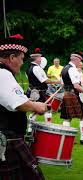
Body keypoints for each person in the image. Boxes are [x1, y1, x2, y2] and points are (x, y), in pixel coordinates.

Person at [0, 34, 47, 179]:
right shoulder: (3, 73)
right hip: (7, 139)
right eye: (21, 58)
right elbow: (18, 103)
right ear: (12, 57)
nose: (22, 63)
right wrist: (36, 106)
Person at [60, 53, 83, 145]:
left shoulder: (64, 68)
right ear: (75, 60)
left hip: (66, 94)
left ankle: (66, 139)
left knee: (67, 118)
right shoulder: (72, 69)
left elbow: (62, 84)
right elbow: (76, 85)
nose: (80, 63)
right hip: (73, 95)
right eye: (79, 61)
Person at [26, 48, 60, 128]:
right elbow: (45, 81)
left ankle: (30, 130)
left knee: (33, 110)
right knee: (47, 108)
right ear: (37, 58)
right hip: (39, 92)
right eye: (40, 57)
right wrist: (59, 82)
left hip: (32, 91)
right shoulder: (37, 68)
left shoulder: (28, 68)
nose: (41, 59)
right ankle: (49, 127)